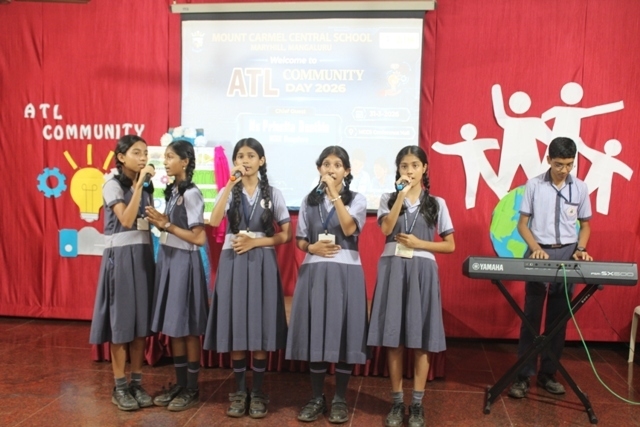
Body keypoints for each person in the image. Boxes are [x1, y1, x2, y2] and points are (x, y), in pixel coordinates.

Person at [367, 145, 455, 427]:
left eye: (415, 165)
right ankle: (396, 402)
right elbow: (386, 229)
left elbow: (450, 245)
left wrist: (420, 244)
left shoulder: (436, 203)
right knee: (394, 338)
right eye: (404, 166)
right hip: (393, 268)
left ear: (424, 168)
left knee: (421, 340)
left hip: (423, 271)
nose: (409, 171)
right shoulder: (388, 198)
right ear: (398, 170)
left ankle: (417, 404)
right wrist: (401, 196)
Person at [204, 137, 292, 419]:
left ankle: (258, 391)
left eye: (251, 155)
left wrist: (256, 242)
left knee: (260, 323)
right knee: (237, 323)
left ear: (261, 161)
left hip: (262, 261)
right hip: (233, 261)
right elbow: (214, 222)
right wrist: (229, 185)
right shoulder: (229, 190)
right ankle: (240, 390)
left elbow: (286, 235)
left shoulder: (273, 193)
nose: (245, 160)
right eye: (240, 156)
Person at [286, 146, 368, 425]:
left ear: (347, 170)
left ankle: (340, 398)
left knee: (344, 333)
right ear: (319, 168)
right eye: (326, 164)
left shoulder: (357, 199)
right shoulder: (308, 201)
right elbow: (300, 240)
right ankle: (317, 397)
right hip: (315, 272)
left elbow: (349, 228)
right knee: (316, 332)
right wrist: (311, 247)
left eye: (337, 165)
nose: (331, 169)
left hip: (347, 272)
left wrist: (334, 195)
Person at [508, 136, 592, 399]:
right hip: (539, 250)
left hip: (567, 252)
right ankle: (523, 375)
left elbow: (585, 226)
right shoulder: (534, 185)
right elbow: (523, 225)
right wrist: (535, 247)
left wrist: (580, 248)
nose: (564, 170)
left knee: (558, 319)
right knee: (531, 316)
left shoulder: (580, 188)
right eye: (559, 164)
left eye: (569, 164)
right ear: (548, 160)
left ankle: (548, 373)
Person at [89, 135, 156, 411]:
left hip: (143, 256)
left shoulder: (146, 187)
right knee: (121, 323)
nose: (143, 158)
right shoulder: (111, 184)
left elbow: (145, 222)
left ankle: (136, 383)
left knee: (140, 324)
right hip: (120, 258)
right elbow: (126, 220)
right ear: (121, 157)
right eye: (137, 153)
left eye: (145, 153)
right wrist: (139, 186)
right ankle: (119, 386)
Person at [144, 139, 208, 411]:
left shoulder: (192, 193)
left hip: (184, 262)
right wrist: (161, 221)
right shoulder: (173, 191)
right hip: (169, 260)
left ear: (185, 161)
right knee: (175, 328)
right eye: (165, 157)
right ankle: (181, 384)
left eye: (171, 157)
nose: (166, 162)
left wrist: (166, 224)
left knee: (189, 329)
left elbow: (199, 237)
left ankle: (192, 388)